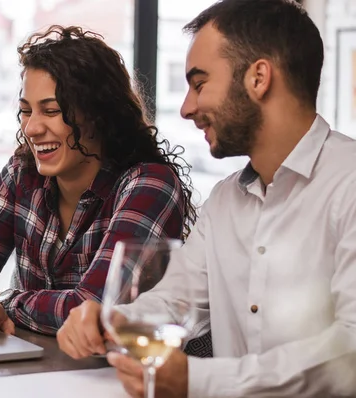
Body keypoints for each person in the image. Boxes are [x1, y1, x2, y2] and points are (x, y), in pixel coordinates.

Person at [57, 1, 356, 397]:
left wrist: (197, 382)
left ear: (259, 78)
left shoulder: (349, 185)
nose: (186, 108)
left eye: (199, 84)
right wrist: (108, 321)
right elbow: (174, 300)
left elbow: (350, 355)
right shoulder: (224, 200)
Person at [0, 25, 196, 338]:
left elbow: (95, 308)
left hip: (118, 378)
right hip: (38, 370)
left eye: (52, 111)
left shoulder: (149, 184)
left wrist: (6, 302)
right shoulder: (23, 174)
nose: (31, 128)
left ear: (99, 114)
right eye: (26, 111)